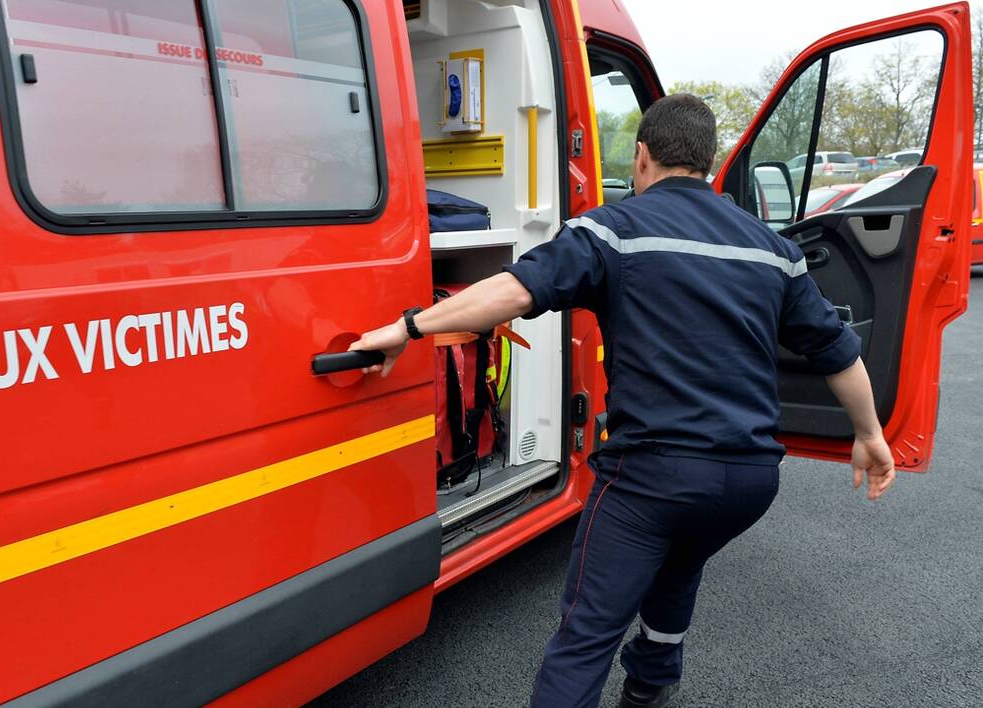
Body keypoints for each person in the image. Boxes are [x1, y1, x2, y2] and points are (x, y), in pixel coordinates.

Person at [348, 94, 895, 708]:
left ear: (641, 156)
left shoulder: (614, 230)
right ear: (708, 162)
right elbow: (839, 353)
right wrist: (870, 436)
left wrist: (409, 328)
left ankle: (635, 683)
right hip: (749, 480)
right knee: (683, 559)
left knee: (586, 634)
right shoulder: (772, 248)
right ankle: (652, 686)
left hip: (652, 477)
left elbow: (511, 291)